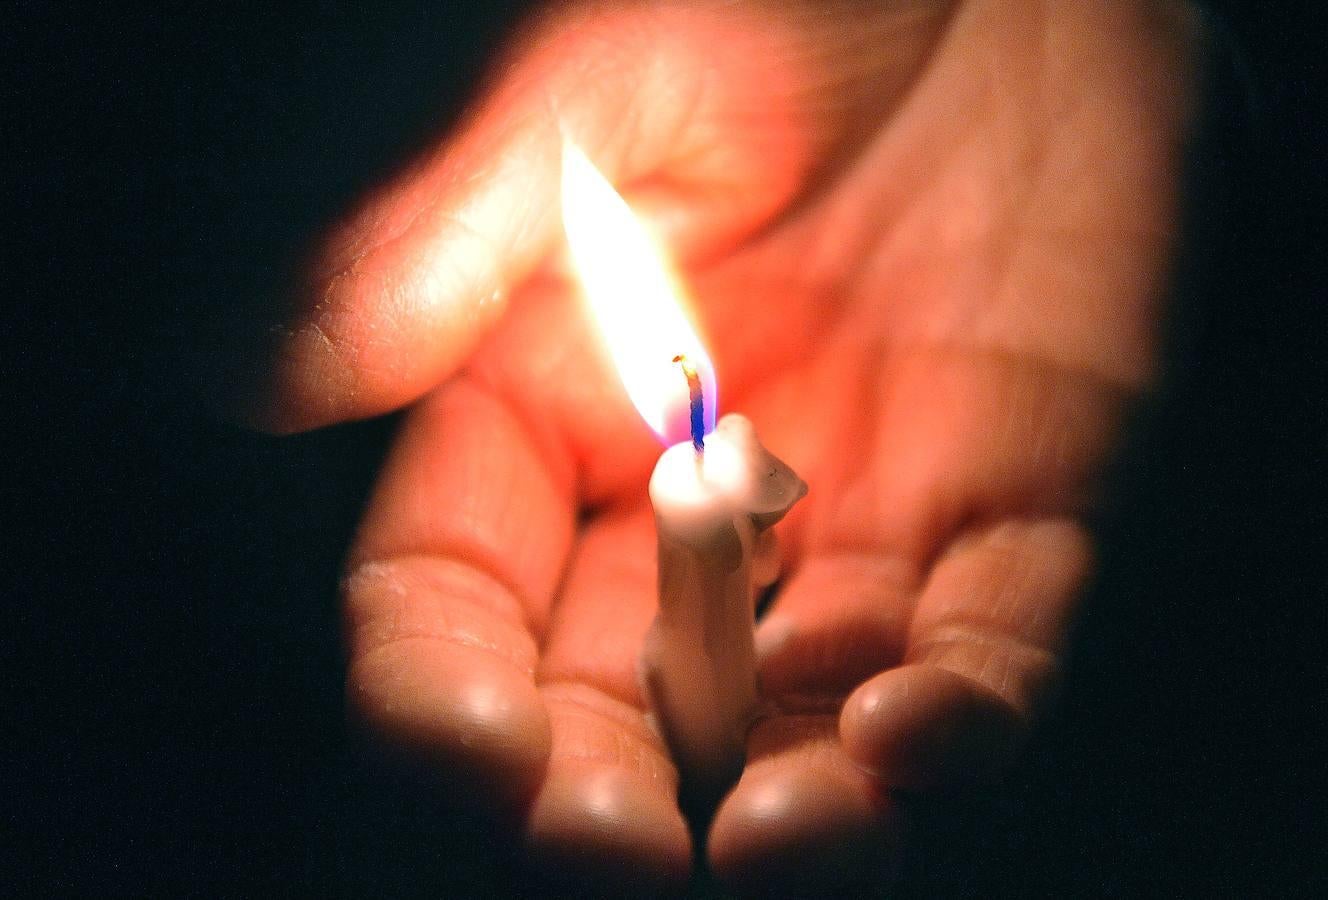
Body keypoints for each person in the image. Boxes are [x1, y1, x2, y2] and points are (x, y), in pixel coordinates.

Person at [247, 0, 1202, 892]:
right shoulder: (698, 528)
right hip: (698, 650)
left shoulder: (730, 509)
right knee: (690, 690)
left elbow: (753, 542)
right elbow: (716, 579)